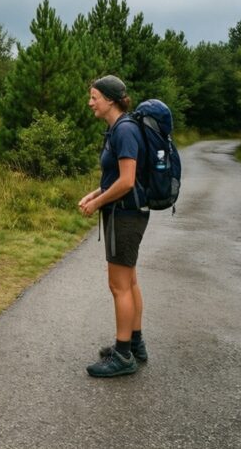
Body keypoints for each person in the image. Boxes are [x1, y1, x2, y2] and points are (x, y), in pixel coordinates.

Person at [79, 75, 149, 378]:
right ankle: (134, 344)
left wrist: (97, 204)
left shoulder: (124, 131)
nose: (90, 102)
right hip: (126, 211)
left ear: (109, 99)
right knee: (129, 281)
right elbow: (113, 178)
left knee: (118, 285)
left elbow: (127, 180)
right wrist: (95, 194)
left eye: (94, 97)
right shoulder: (118, 129)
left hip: (126, 214)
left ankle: (123, 356)